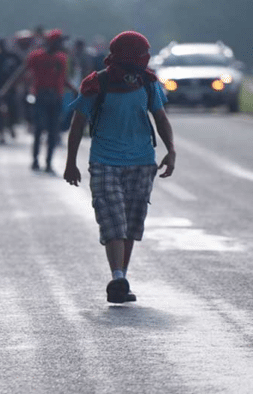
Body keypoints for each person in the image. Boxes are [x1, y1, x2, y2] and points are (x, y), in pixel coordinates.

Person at [63, 31, 175, 304]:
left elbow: (160, 119)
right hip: (104, 162)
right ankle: (117, 276)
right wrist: (70, 163)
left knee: (131, 224)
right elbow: (77, 124)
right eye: (140, 53)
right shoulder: (97, 83)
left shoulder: (148, 83)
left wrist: (171, 151)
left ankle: (120, 278)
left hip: (141, 163)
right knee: (113, 221)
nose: (143, 59)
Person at [0, 29, 75, 173]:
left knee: (53, 131)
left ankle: (48, 162)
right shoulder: (36, 56)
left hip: (56, 97)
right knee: (39, 129)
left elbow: (62, 78)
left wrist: (75, 89)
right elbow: (21, 72)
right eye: (59, 41)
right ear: (52, 42)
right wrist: (6, 89)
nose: (61, 44)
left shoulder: (61, 58)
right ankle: (35, 160)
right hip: (41, 96)